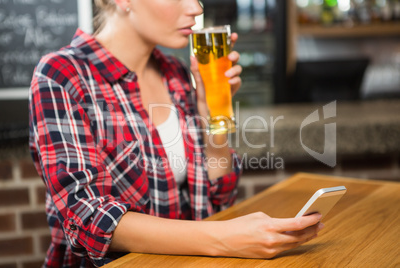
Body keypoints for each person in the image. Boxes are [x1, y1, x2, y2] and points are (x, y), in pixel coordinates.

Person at [29, 0, 324, 267]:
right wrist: (224, 238)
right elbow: (87, 217)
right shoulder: (61, 75)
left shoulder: (177, 73)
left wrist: (211, 115)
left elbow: (217, 199)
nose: (196, 8)